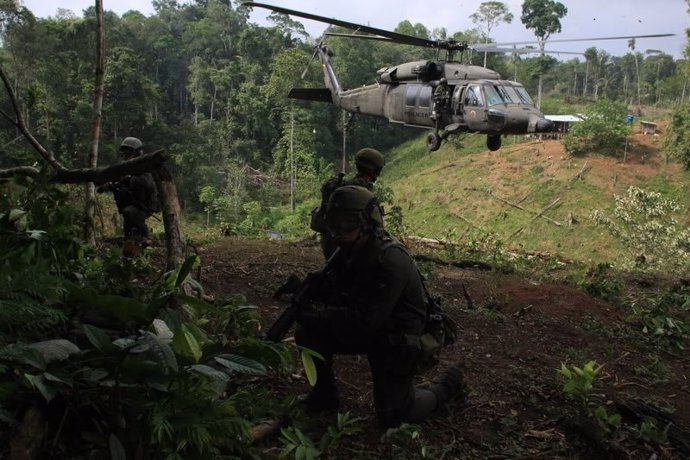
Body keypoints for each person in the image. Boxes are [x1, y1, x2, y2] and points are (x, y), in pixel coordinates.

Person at [295, 185, 466, 429]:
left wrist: (319, 315)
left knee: (396, 416)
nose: (337, 232)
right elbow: (343, 292)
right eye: (333, 224)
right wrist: (310, 290)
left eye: (346, 224)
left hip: (397, 337)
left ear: (367, 222)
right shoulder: (350, 248)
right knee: (308, 334)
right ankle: (324, 396)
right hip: (373, 327)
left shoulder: (389, 260)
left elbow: (362, 320)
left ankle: (449, 385)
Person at [311, 148, 386, 259]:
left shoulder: (340, 187)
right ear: (375, 172)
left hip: (330, 245)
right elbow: (377, 228)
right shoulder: (365, 194)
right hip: (349, 249)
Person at [98, 137, 158, 240]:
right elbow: (114, 180)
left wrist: (130, 179)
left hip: (144, 206)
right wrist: (106, 186)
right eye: (125, 154)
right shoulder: (125, 167)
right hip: (131, 203)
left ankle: (147, 235)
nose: (126, 157)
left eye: (129, 154)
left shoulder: (144, 166)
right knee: (128, 233)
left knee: (128, 213)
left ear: (138, 154)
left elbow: (148, 183)